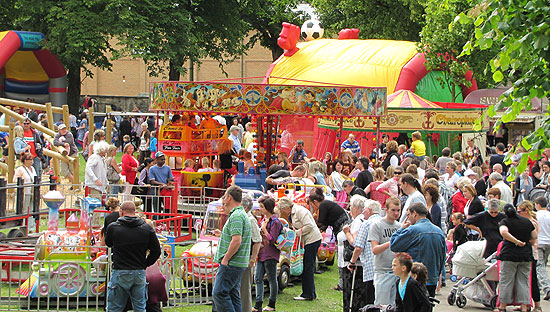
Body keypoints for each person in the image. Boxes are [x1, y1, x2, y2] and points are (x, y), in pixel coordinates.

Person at [105, 201, 161, 312]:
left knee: (115, 308)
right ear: (135, 212)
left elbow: (109, 243)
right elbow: (156, 250)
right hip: (138, 271)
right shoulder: (146, 228)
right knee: (140, 307)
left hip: (120, 270)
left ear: (121, 212)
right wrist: (145, 263)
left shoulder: (114, 227)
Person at [390, 202, 446, 297]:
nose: (408, 218)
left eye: (408, 215)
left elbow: (394, 245)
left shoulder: (413, 230)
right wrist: (438, 275)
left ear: (414, 213)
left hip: (415, 279)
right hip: (432, 279)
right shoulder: (439, 232)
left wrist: (401, 229)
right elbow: (442, 257)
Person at [211, 186, 251, 312]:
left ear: (229, 198)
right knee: (233, 294)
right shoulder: (240, 214)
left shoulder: (237, 216)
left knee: (219, 293)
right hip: (238, 263)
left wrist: (225, 259)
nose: (222, 201)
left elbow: (236, 240)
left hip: (232, 263)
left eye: (224, 197)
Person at [277, 197, 322, 301]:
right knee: (307, 266)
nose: (282, 212)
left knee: (307, 267)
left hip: (312, 240)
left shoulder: (299, 211)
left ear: (286, 207)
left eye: (282, 210)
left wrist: (295, 233)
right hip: (308, 241)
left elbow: (309, 226)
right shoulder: (294, 212)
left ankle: (308, 294)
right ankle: (310, 292)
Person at [495, 204, 536, 312]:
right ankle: (524, 307)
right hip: (525, 255)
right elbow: (534, 236)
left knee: (506, 281)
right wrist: (527, 243)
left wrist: (516, 241)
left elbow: (503, 232)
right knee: (523, 281)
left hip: (509, 254)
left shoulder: (505, 222)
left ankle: (502, 306)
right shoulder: (527, 221)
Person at [347, 199, 382, 307]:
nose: (363, 212)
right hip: (384, 268)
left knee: (370, 300)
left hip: (371, 267)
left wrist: (352, 262)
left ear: (370, 210)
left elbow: (358, 247)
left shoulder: (366, 224)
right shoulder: (384, 222)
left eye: (365, 209)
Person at [369, 196, 402, 306]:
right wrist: (391, 242)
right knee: (381, 305)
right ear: (386, 210)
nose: (396, 213)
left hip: (398, 272)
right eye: (393, 210)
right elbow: (375, 249)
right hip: (382, 271)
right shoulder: (377, 225)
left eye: (398, 210)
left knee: (395, 305)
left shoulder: (399, 226)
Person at [254, 197, 283, 312]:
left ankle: (272, 304)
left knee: (271, 279)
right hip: (261, 253)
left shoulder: (275, 222)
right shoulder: (264, 220)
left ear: (268, 208)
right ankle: (258, 304)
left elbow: (272, 239)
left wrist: (264, 229)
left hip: (270, 254)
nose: (260, 209)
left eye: (262, 207)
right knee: (258, 278)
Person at [339, 196, 367, 312]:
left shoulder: (357, 221)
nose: (349, 210)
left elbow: (355, 242)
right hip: (359, 262)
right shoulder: (363, 220)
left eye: (350, 207)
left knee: (351, 292)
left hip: (354, 262)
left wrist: (347, 232)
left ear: (356, 208)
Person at [517, 201, 542, 312]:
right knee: (525, 280)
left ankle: (537, 305)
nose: (518, 214)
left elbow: (532, 240)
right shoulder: (528, 221)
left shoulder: (532, 223)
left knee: (532, 279)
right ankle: (526, 304)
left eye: (519, 211)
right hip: (529, 252)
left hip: (531, 253)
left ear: (525, 211)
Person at [240, 194, 261, 312]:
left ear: (246, 207)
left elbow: (257, 241)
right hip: (241, 259)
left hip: (247, 259)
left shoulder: (251, 220)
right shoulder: (243, 218)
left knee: (245, 289)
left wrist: (252, 260)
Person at [535, 196, 550, 300]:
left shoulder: (536, 215)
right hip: (548, 242)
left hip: (539, 242)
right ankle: (541, 285)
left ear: (538, 205)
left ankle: (546, 287)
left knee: (540, 265)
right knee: (543, 264)